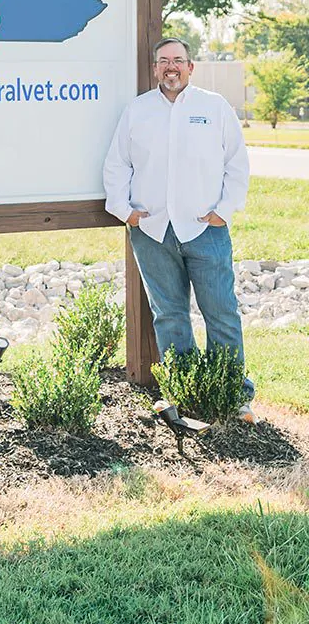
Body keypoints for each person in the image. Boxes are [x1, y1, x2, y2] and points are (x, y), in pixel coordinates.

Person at [103, 37, 256, 420]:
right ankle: (182, 390)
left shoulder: (215, 107)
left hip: (206, 228)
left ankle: (232, 394)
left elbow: (236, 164)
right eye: (164, 61)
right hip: (152, 231)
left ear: (191, 66)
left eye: (178, 60)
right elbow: (118, 164)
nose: (171, 67)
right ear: (155, 68)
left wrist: (225, 211)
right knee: (169, 315)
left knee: (220, 312)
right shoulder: (137, 111)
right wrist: (125, 211)